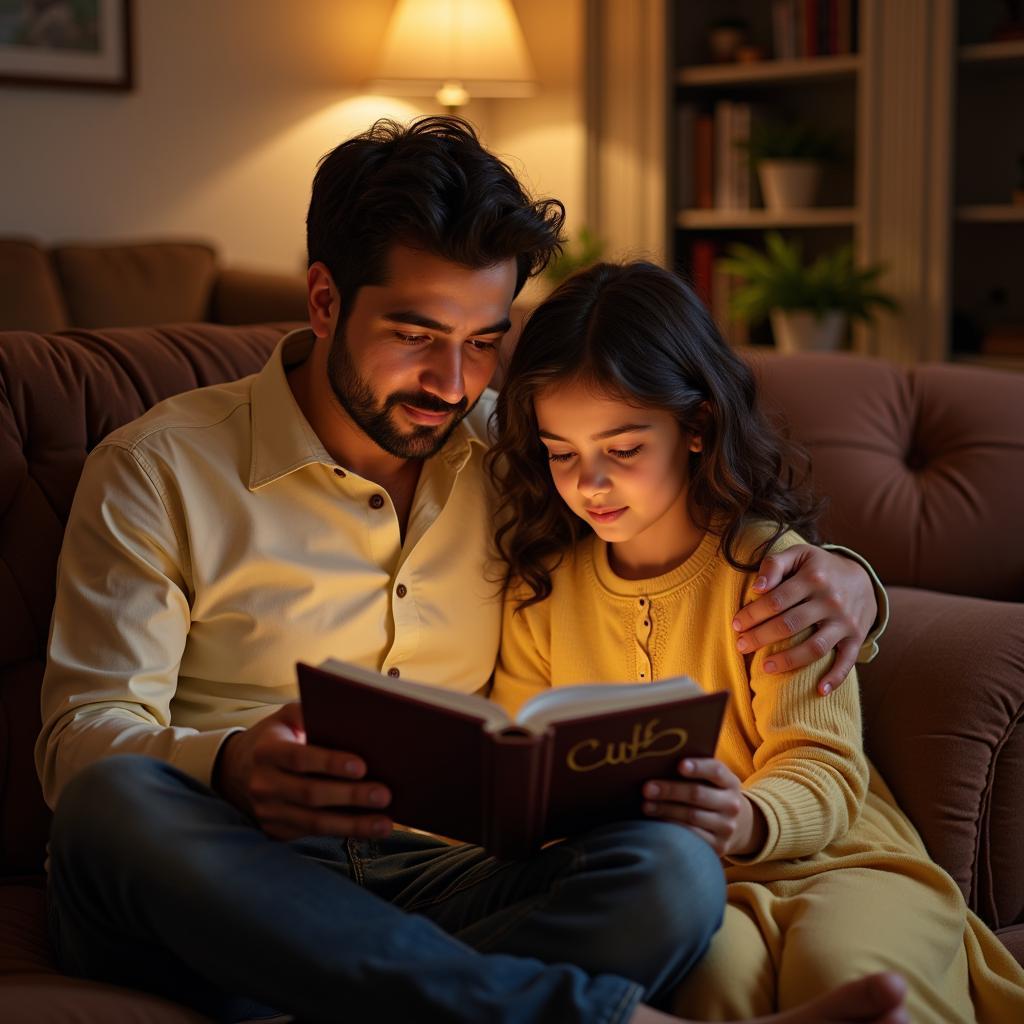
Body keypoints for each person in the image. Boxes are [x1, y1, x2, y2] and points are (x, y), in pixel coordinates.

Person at [37, 117, 894, 1024]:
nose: (452, 381)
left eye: (484, 341)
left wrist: (850, 582)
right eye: (415, 333)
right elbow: (78, 739)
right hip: (227, 865)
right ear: (324, 301)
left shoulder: (521, 454)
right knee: (113, 803)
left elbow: (679, 521)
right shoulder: (158, 469)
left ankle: (350, 999)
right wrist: (232, 765)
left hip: (440, 876)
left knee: (671, 871)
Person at [488, 260, 1024, 1023]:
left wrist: (742, 817)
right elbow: (527, 762)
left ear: (698, 426)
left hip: (844, 859)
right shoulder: (543, 592)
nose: (591, 483)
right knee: (714, 984)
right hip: (695, 888)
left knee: (842, 970)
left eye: (624, 448)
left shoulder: (769, 571)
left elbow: (824, 765)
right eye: (561, 452)